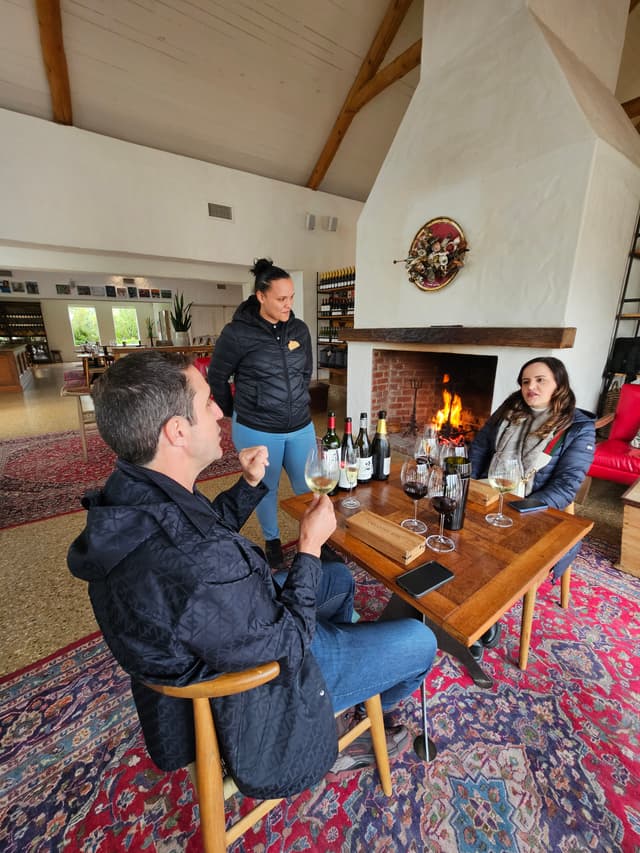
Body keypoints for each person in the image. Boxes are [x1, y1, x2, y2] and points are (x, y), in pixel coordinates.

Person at [67, 351, 437, 798]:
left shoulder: (135, 494)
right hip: (260, 691)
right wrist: (310, 547)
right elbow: (290, 637)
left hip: (220, 636)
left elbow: (198, 530)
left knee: (339, 582)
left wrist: (247, 487)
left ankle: (342, 693)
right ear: (176, 431)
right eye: (207, 403)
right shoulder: (195, 561)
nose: (220, 411)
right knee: (422, 642)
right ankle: (341, 713)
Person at [469, 356, 595, 659]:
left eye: (540, 380)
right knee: (449, 528)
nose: (531, 387)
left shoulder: (577, 427)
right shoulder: (510, 410)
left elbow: (566, 487)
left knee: (494, 550)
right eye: (526, 381)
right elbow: (480, 448)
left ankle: (483, 619)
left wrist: (520, 508)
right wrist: (469, 484)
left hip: (534, 509)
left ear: (559, 385)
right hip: (491, 492)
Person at [208, 257, 315, 571]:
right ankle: (272, 541)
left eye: (291, 297)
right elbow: (217, 377)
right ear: (261, 296)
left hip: (300, 426)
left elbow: (304, 370)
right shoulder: (236, 334)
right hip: (256, 426)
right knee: (263, 488)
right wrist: (235, 411)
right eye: (281, 298)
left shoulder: (299, 329)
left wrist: (299, 400)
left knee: (309, 487)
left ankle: (314, 540)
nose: (288, 304)